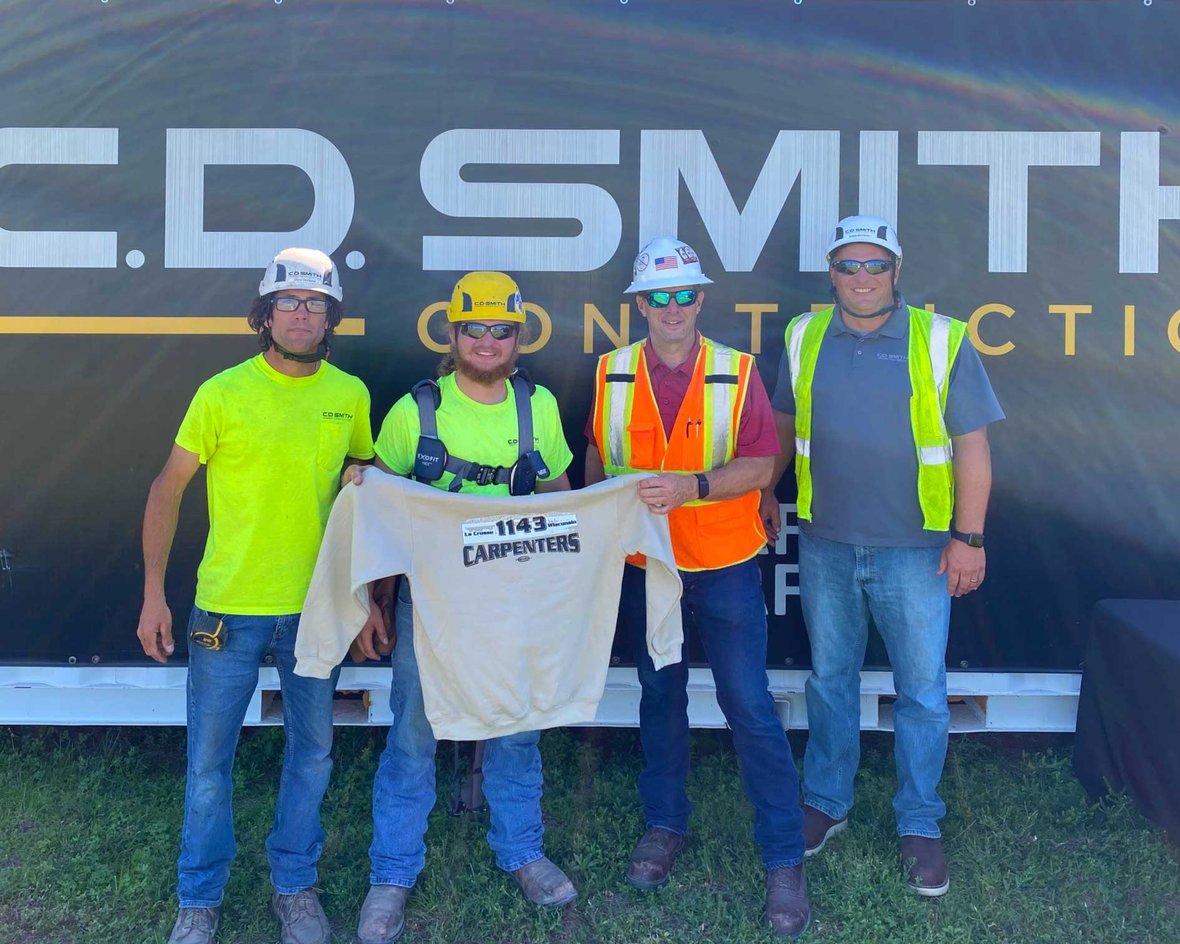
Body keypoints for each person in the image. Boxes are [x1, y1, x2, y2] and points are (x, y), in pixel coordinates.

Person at [135, 248, 375, 944]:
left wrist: (365, 600)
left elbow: (364, 489)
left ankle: (295, 887)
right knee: (209, 767)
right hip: (227, 614)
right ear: (265, 314)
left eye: (315, 303)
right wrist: (154, 593)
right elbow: (166, 488)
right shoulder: (222, 392)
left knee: (314, 756)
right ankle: (198, 900)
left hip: (316, 614)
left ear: (331, 316)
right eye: (289, 301)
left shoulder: (350, 396)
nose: (302, 313)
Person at [761, 215, 1004, 897]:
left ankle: (920, 823)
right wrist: (766, 492)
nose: (861, 278)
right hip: (827, 542)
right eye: (848, 265)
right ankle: (828, 802)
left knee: (922, 693)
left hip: (918, 551)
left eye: (875, 265)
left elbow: (973, 450)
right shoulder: (805, 334)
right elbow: (784, 425)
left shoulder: (941, 340)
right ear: (831, 274)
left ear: (896, 272)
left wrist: (970, 536)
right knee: (829, 678)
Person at [585, 237, 811, 939]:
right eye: (661, 295)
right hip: (646, 564)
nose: (674, 307)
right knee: (660, 696)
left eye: (686, 294)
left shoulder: (737, 371)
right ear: (641, 304)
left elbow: (764, 460)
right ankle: (664, 825)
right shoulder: (610, 370)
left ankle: (783, 856)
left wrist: (695, 487)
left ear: (702, 300)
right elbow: (599, 452)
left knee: (748, 703)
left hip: (723, 559)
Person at [348, 271, 576, 944]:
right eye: (472, 328)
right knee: (414, 736)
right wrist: (372, 605)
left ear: (517, 336)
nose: (485, 341)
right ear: (453, 335)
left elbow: (566, 504)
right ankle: (392, 874)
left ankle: (522, 853)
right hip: (433, 604)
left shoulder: (538, 410)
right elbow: (377, 517)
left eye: (499, 329)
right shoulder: (415, 412)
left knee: (517, 727)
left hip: (515, 599)